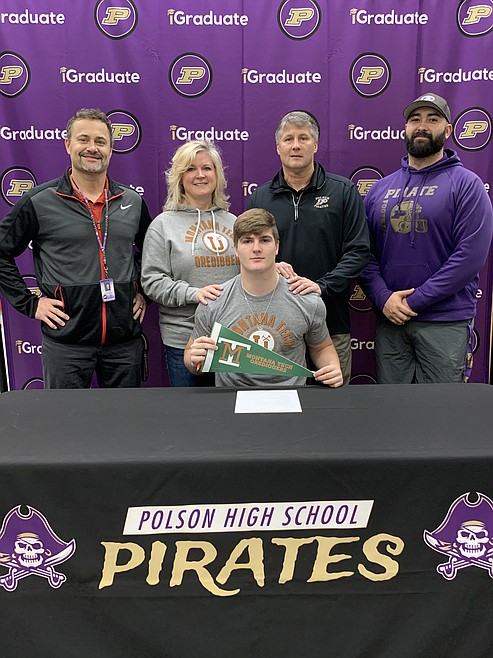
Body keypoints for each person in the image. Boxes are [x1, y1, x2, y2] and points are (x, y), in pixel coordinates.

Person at [0, 108, 152, 389]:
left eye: (100, 141)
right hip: (66, 344)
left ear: (111, 149)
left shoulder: (132, 201)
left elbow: (152, 252)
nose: (92, 148)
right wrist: (31, 304)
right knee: (64, 417)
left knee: (124, 417)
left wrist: (144, 290)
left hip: (124, 342)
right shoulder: (39, 201)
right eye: (83, 139)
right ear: (68, 144)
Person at [359, 92, 493, 383]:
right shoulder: (380, 189)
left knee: (439, 408)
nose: (422, 126)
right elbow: (364, 254)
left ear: (448, 130)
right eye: (415, 119)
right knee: (392, 405)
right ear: (405, 128)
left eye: (433, 119)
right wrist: (383, 298)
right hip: (391, 320)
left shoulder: (467, 185)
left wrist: (414, 302)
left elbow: (468, 258)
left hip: (444, 321)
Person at [246, 110, 370, 384]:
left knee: (332, 402)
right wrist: (269, 267)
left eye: (303, 138)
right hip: (276, 328)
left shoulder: (343, 191)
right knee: (279, 405)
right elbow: (247, 255)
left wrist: (321, 286)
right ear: (278, 147)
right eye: (288, 139)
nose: (296, 145)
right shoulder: (260, 198)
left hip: (331, 323)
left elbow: (358, 251)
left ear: (315, 145)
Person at [185, 208, 343, 388]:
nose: (256, 248)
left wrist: (332, 367)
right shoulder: (214, 302)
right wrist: (194, 360)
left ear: (277, 246)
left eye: (264, 240)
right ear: (236, 248)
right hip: (231, 397)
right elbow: (192, 358)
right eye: (247, 241)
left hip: (292, 396)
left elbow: (322, 347)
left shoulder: (306, 301)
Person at [141, 140, 239, 386]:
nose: (200, 175)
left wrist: (272, 269)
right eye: (191, 169)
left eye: (207, 168)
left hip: (234, 338)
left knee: (233, 409)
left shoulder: (234, 223)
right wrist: (194, 294)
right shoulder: (162, 225)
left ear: (217, 174)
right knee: (192, 410)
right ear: (180, 177)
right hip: (184, 339)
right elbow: (152, 282)